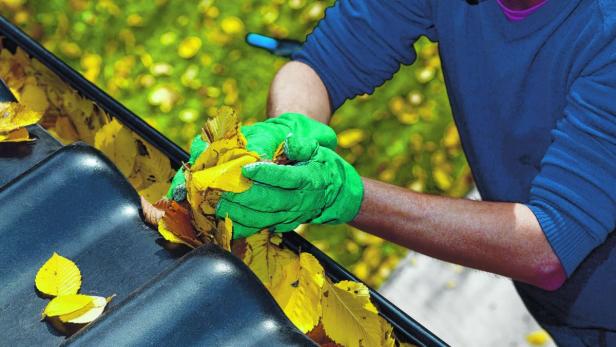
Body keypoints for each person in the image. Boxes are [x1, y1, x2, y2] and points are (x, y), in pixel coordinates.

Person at [171, 1, 615, 344]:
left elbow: (547, 243)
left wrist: (343, 195)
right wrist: (287, 134)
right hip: (568, 314)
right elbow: (323, 63)